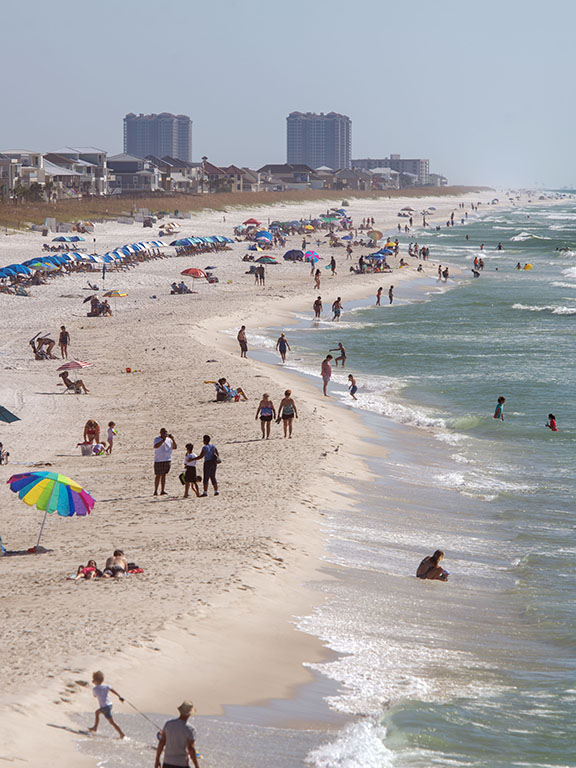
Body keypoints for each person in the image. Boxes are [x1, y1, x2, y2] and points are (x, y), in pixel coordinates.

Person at [155, 701, 200, 768]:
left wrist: (157, 759)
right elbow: (191, 749)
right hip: (181, 764)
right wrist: (197, 766)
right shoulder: (190, 729)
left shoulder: (168, 724)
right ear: (189, 714)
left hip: (167, 762)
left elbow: (161, 743)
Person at [88, 671, 125, 739]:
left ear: (95, 681)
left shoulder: (95, 689)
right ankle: (121, 734)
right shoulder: (106, 686)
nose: (93, 682)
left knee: (99, 715)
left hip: (104, 707)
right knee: (108, 720)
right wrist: (119, 696)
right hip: (109, 705)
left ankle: (95, 727)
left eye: (93, 680)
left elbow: (94, 696)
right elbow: (113, 691)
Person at [154, 428, 177, 496]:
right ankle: (155, 490)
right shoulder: (157, 439)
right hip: (159, 460)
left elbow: (175, 447)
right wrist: (163, 440)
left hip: (167, 459)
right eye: (163, 433)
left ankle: (162, 490)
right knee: (158, 475)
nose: (165, 434)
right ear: (160, 433)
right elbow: (156, 446)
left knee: (164, 475)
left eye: (166, 433)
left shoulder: (169, 440)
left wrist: (173, 439)